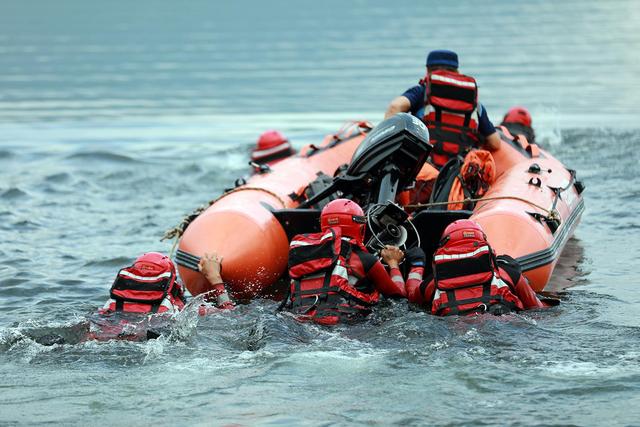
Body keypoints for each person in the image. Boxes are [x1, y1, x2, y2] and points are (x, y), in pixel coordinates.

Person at [283, 198, 422, 325]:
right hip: (345, 328)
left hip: (301, 324)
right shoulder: (364, 259)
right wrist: (393, 263)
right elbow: (399, 297)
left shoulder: (303, 255)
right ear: (360, 226)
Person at [384, 49, 501, 169]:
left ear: (428, 70)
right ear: (457, 71)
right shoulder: (474, 102)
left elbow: (395, 107)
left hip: (423, 167)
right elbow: (495, 142)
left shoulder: (422, 91)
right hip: (458, 171)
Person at [404, 219, 548, 316]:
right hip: (503, 328)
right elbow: (537, 309)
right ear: (483, 242)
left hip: (455, 333)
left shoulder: (433, 284)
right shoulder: (507, 274)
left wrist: (417, 264)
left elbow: (411, 295)